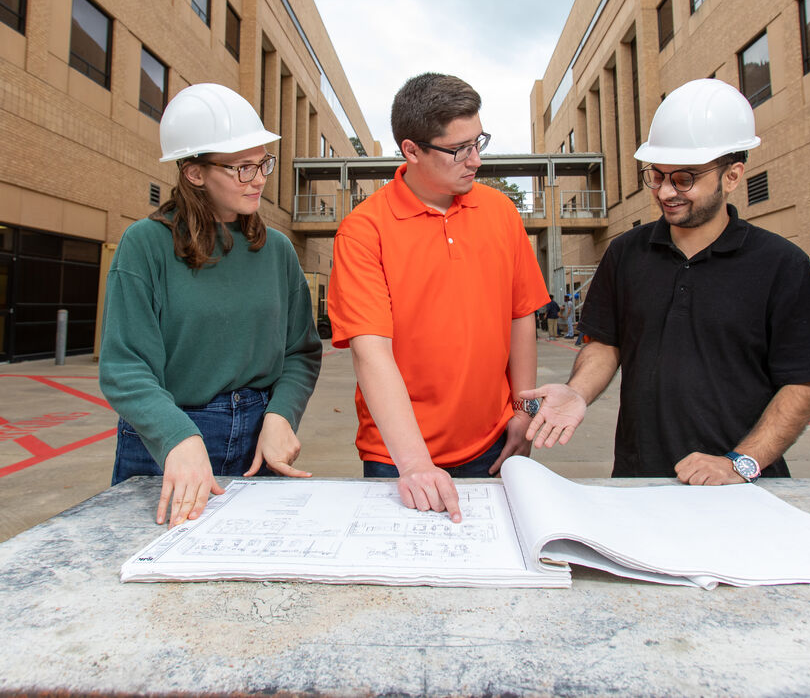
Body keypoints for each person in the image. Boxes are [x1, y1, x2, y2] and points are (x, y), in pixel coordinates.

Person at [521, 79, 810, 484]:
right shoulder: (625, 254)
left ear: (732, 176)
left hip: (745, 489)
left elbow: (803, 383)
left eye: (685, 179)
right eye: (656, 176)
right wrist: (577, 391)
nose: (666, 192)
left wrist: (739, 463)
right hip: (641, 480)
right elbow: (606, 343)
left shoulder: (782, 265)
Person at [327, 73, 550, 522]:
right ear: (411, 150)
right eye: (458, 150)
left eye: (479, 141)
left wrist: (524, 412)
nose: (476, 160)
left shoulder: (501, 212)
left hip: (494, 443)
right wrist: (413, 464)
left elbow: (520, 314)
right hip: (398, 457)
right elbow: (371, 353)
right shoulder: (364, 231)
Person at [99, 83, 322, 526]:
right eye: (241, 168)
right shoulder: (145, 245)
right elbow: (125, 366)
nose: (258, 178)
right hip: (168, 440)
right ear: (194, 172)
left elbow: (301, 351)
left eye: (263, 163)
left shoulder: (277, 251)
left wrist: (281, 414)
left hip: (259, 437)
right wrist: (176, 436)